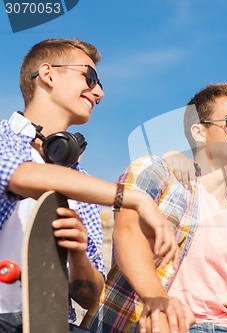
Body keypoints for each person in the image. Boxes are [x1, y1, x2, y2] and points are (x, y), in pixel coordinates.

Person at [81, 83, 227, 333]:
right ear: (199, 132)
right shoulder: (156, 173)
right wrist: (157, 300)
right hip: (151, 323)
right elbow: (126, 233)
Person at [0, 38, 178, 333]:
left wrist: (78, 253)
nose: (99, 92)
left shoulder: (82, 184)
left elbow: (91, 293)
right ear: (48, 74)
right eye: (90, 77)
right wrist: (134, 198)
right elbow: (21, 176)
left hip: (55, 324)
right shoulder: (4, 139)